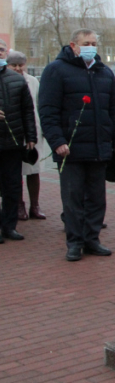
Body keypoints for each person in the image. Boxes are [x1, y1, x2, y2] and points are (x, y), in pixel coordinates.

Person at [39, 29, 115, 262]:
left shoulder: (104, 73)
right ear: (73, 46)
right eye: (86, 43)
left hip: (99, 148)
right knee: (73, 198)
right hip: (70, 150)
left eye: (94, 43)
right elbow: (48, 112)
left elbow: (114, 112)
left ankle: (92, 239)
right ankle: (75, 242)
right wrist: (57, 141)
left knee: (97, 198)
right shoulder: (56, 71)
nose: (91, 47)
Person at [0, 47, 37, 242]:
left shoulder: (16, 79)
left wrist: (31, 137)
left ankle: (9, 226)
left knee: (12, 186)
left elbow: (27, 110)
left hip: (12, 143)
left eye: (1, 50)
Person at [6, 51, 49, 220]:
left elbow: (39, 105)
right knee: (15, 172)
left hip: (33, 130)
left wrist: (42, 130)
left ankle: (35, 205)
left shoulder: (33, 81)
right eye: (13, 65)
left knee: (33, 169)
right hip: (14, 131)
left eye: (20, 65)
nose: (17, 68)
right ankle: (19, 205)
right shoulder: (5, 80)